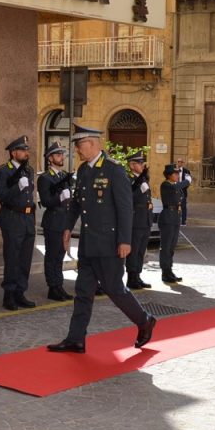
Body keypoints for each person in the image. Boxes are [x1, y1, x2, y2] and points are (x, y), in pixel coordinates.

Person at [47, 124, 156, 354]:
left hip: (110, 244)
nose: (77, 150)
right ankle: (76, 339)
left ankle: (144, 320)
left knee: (115, 289)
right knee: (83, 292)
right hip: (88, 243)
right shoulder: (85, 170)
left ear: (93, 144)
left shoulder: (114, 170)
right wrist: (67, 227)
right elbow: (77, 203)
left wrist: (125, 241)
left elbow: (125, 209)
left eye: (79, 145)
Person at [0, 136, 37, 310]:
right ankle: (9, 295)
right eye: (23, 150)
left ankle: (20, 292)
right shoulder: (3, 171)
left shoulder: (29, 170)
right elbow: (3, 197)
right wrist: (17, 187)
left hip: (28, 218)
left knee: (25, 259)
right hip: (12, 218)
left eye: (27, 150)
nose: (26, 153)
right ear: (13, 153)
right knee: (12, 258)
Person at [37, 141, 74, 301]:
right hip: (53, 220)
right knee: (52, 255)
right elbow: (46, 201)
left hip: (64, 220)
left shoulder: (63, 176)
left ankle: (59, 285)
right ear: (50, 158)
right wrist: (60, 197)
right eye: (58, 154)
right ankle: (53, 287)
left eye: (62, 154)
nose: (61, 157)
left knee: (60, 255)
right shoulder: (45, 178)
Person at [159, 164, 191, 283]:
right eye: (175, 174)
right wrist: (187, 181)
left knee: (172, 246)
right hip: (167, 217)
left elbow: (180, 194)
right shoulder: (166, 185)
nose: (177, 175)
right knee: (166, 247)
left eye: (178, 173)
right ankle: (165, 272)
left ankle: (169, 270)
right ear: (169, 175)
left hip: (175, 217)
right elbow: (177, 187)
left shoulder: (174, 185)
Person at [126, 150, 152, 290]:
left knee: (141, 250)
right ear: (132, 165)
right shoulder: (128, 179)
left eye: (143, 162)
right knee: (134, 249)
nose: (142, 165)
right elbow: (129, 198)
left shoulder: (143, 178)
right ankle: (131, 277)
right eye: (140, 163)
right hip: (136, 219)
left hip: (145, 218)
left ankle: (138, 275)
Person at [175, 158, 192, 225]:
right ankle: (176, 220)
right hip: (175, 191)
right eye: (178, 161)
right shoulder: (174, 170)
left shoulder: (186, 171)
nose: (179, 163)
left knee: (183, 207)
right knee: (176, 206)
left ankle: (183, 221)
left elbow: (188, 182)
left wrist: (183, 188)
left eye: (181, 162)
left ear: (182, 163)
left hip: (183, 192)